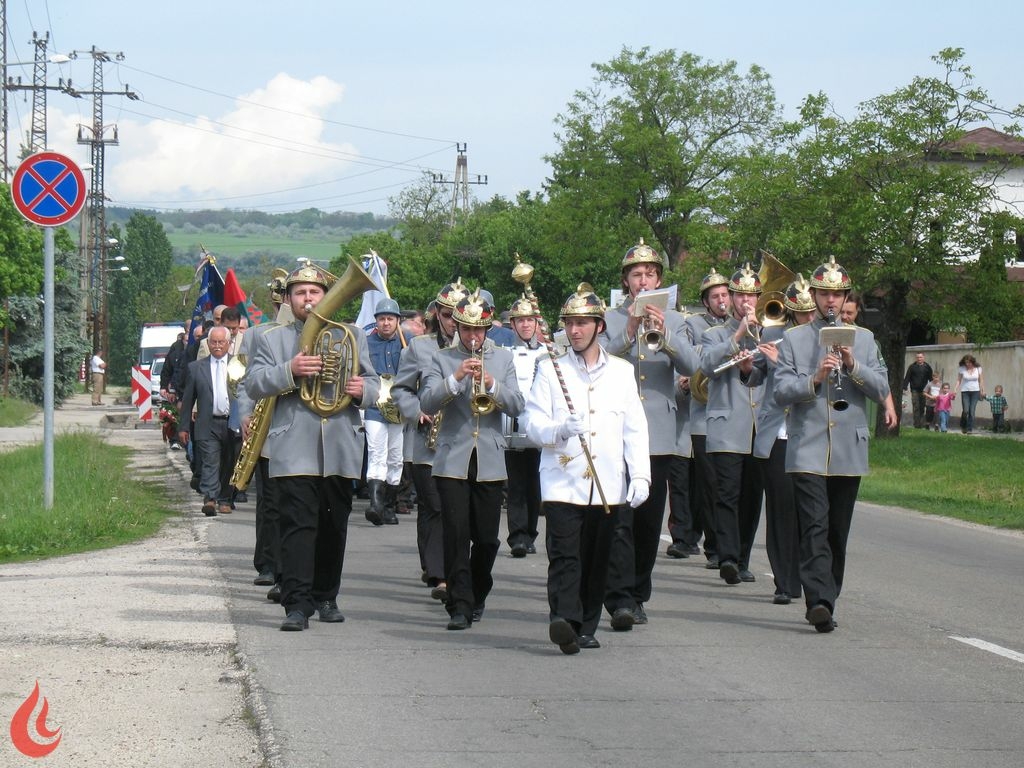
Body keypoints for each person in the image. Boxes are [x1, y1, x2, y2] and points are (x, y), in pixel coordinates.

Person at [245, 263, 380, 632]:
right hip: (293, 446)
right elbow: (254, 384)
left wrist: (361, 392)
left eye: (315, 293)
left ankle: (326, 596)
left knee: (333, 525)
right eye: (300, 293)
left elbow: (373, 384)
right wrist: (290, 369)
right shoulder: (272, 339)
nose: (308, 299)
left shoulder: (350, 334)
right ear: (289, 300)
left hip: (340, 445)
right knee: (297, 527)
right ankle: (297, 604)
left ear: (326, 297)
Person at [523, 285, 650, 654]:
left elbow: (635, 427)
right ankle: (563, 618)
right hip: (562, 481)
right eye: (570, 324)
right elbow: (532, 423)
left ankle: (586, 624)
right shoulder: (550, 370)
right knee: (565, 554)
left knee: (597, 558)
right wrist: (558, 430)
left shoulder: (622, 372)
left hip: (607, 482)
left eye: (582, 323)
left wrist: (640, 474)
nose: (575, 330)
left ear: (599, 326)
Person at [774, 256, 890, 633]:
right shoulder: (793, 339)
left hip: (848, 450)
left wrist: (854, 365)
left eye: (837, 295)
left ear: (844, 298)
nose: (830, 301)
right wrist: (815, 377)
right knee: (814, 526)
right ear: (814, 296)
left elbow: (882, 388)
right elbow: (780, 393)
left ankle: (829, 596)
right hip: (807, 446)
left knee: (837, 531)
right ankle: (818, 601)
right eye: (824, 294)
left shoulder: (867, 339)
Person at [601, 238, 699, 630]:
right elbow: (599, 359)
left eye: (651, 274)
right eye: (636, 275)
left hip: (658, 432)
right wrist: (628, 331)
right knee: (620, 519)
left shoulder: (677, 320)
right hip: (617, 430)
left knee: (647, 521)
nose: (644, 280)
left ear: (660, 279)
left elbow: (695, 364)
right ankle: (620, 598)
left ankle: (638, 591)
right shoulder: (607, 318)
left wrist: (666, 335)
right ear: (626, 281)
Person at [418, 289, 525, 630]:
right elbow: (428, 401)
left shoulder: (504, 359)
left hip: (490, 458)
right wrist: (457, 378)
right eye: (466, 330)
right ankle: (460, 604)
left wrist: (492, 385)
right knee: (455, 533)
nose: (473, 337)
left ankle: (478, 592)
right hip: (452, 458)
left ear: (488, 328)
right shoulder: (442, 358)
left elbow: (518, 405)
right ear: (457, 328)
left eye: (479, 330)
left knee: (488, 539)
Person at [392, 281, 469, 604]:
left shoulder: (476, 347)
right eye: (448, 314)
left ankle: (454, 570)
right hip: (427, 441)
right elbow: (400, 390)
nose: (453, 321)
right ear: (437, 314)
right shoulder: (419, 347)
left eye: (458, 315)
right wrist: (416, 410)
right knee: (434, 507)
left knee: (458, 511)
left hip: (463, 440)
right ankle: (439, 574)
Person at [745, 274, 816, 605]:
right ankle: (784, 582)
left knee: (808, 511)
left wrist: (782, 363)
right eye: (802, 314)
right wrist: (748, 367)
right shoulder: (772, 333)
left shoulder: (824, 338)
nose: (809, 319)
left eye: (812, 312)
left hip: (810, 431)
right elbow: (755, 375)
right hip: (777, 433)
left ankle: (808, 576)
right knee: (780, 509)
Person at [699, 263, 766, 587]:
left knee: (752, 497)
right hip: (727, 424)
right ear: (732, 299)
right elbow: (707, 366)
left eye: (752, 295)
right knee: (727, 493)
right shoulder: (713, 334)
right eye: (740, 296)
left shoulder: (773, 331)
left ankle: (742, 558)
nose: (746, 302)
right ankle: (726, 557)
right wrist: (738, 335)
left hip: (760, 426)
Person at [235, 269, 292, 599]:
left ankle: (290, 566)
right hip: (267, 424)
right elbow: (245, 381)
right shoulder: (257, 334)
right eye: (285, 296)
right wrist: (244, 413)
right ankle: (267, 563)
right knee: (269, 501)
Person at [680, 268, 731, 567]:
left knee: (727, 486)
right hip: (703, 414)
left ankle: (723, 544)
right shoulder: (695, 325)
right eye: (716, 296)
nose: (722, 300)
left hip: (733, 412)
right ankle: (713, 546)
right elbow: (690, 357)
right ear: (706, 300)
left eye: (725, 294)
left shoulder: (743, 324)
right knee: (710, 483)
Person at [178, 326, 236, 517]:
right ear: (208, 344)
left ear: (228, 344)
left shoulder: (238, 366)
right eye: (214, 342)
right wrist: (184, 426)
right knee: (211, 461)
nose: (217, 346)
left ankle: (225, 499)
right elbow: (187, 400)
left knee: (229, 462)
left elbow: (247, 394)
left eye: (221, 342)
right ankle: (210, 498)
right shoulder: (196, 368)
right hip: (207, 422)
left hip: (232, 422)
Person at [504, 294, 545, 558]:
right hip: (514, 423)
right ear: (513, 324)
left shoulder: (548, 352)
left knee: (536, 483)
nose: (526, 325)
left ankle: (530, 532)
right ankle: (517, 536)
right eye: (521, 320)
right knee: (517, 483)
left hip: (540, 423)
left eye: (530, 319)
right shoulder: (506, 354)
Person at [364, 297, 407, 526]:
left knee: (395, 457)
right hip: (374, 406)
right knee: (376, 451)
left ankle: (390, 506)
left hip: (399, 406)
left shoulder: (406, 343)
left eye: (391, 318)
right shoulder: (367, 343)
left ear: (398, 321)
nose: (386, 323)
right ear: (376, 321)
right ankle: (376, 504)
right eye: (382, 319)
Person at [840, 292, 899, 429]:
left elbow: (881, 381)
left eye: (849, 313)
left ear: (858, 310)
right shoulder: (821, 333)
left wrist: (890, 407)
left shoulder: (865, 338)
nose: (844, 317)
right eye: (841, 312)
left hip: (852, 416)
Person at [955, 354, 985, 434]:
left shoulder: (978, 368)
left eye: (969, 362)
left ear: (972, 362)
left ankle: (969, 428)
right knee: (965, 410)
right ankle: (963, 425)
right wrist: (955, 389)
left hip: (975, 391)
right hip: (965, 391)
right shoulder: (962, 369)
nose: (967, 364)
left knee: (972, 411)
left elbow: (981, 380)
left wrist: (982, 390)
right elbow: (959, 380)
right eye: (966, 363)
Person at [902, 353, 934, 429]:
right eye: (918, 357)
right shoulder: (912, 367)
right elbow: (907, 377)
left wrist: (932, 389)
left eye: (921, 357)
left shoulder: (927, 367)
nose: (919, 359)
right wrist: (904, 387)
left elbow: (931, 379)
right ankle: (916, 425)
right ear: (916, 358)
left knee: (922, 407)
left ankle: (922, 424)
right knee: (916, 407)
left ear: (923, 358)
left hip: (924, 391)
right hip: (914, 390)